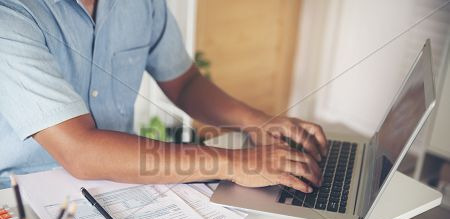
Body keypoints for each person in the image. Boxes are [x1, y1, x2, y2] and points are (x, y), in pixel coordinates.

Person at [0, 0, 327, 191]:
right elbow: (81, 151)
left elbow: (184, 82)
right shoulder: (10, 14)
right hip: (20, 198)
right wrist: (236, 163)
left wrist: (257, 123)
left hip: (117, 180)